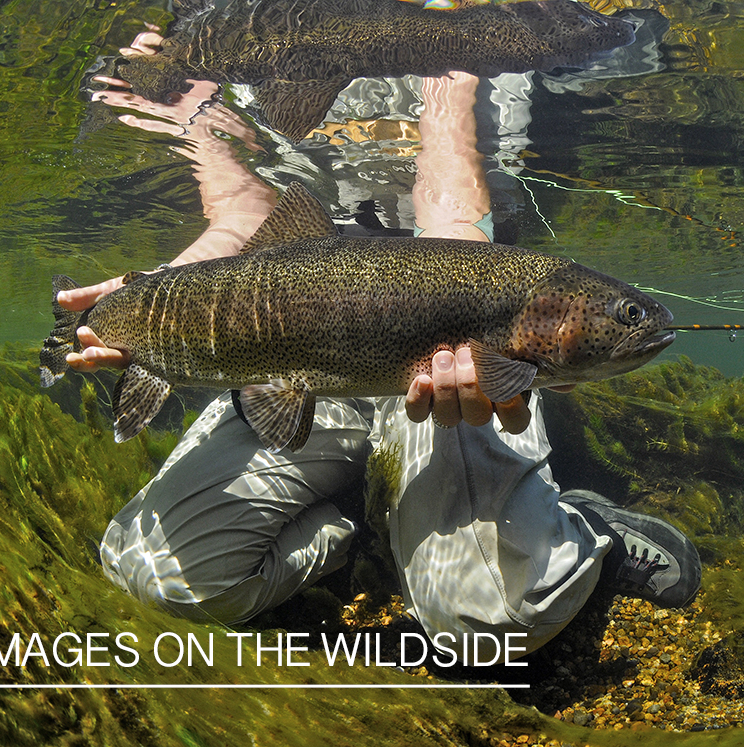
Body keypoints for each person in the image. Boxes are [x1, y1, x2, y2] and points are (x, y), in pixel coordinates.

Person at [62, 17, 699, 662]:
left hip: (446, 355)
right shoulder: (231, 46)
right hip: (299, 348)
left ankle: (590, 531)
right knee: (156, 577)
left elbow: (449, 206)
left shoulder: (459, 31)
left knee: (497, 624)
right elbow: (243, 216)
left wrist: (451, 69)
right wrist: (166, 292)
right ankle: (359, 520)